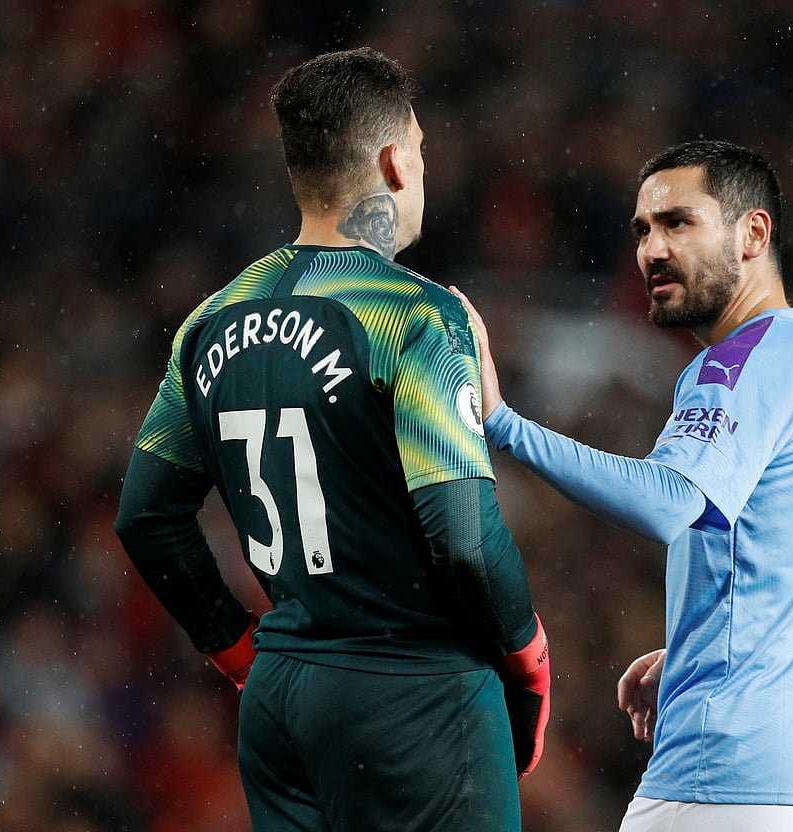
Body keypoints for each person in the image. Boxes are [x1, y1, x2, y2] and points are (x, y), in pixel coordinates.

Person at [114, 47, 550, 832]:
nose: (423, 167)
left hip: (284, 707)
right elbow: (463, 541)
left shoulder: (211, 317)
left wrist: (239, 648)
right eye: (419, 150)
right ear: (391, 160)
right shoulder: (414, 316)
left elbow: (146, 517)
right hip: (416, 694)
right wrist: (529, 658)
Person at [452, 139, 793, 831]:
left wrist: (503, 424)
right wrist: (703, 640)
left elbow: (666, 501)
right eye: (642, 230)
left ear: (754, 233)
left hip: (735, 771)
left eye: (678, 223)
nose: (652, 249)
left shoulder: (738, 361)